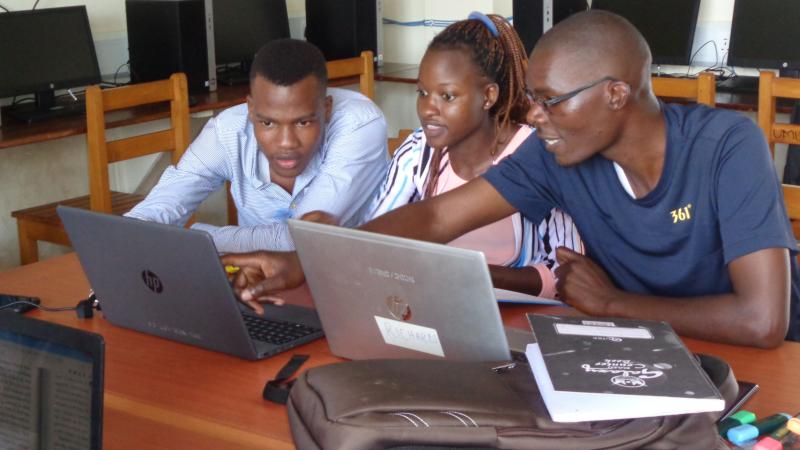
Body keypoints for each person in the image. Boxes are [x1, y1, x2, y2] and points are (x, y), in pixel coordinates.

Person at [222, 11, 799, 348]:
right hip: (641, 349)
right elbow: (436, 217)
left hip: (750, 360)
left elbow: (763, 320)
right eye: (533, 101)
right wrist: (308, 262)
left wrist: (613, 303)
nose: (535, 118)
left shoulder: (728, 146)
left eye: (549, 102)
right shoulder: (558, 154)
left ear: (616, 95)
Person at [367, 13, 581, 297]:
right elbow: (376, 241)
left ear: (488, 96)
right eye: (422, 92)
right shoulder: (418, 152)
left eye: (447, 96)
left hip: (522, 317)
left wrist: (476, 274)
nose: (428, 109)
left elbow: (568, 271)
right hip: (436, 303)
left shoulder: (536, 153)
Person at [126, 39, 388, 253]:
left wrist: (199, 238)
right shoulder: (228, 131)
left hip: (349, 286)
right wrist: (135, 232)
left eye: (303, 122)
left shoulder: (359, 124)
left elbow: (302, 238)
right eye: (268, 123)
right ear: (250, 110)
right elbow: (163, 204)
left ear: (326, 109)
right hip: (256, 287)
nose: (286, 143)